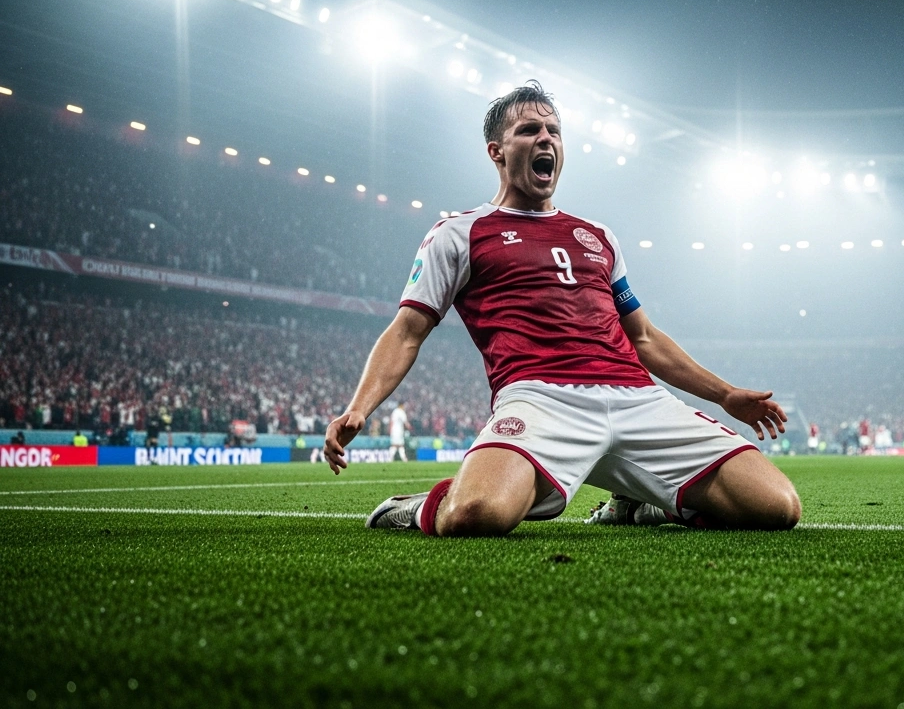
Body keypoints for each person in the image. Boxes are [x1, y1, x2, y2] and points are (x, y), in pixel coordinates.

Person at [324, 82, 800, 537]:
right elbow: (408, 332)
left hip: (638, 399)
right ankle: (416, 507)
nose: (546, 139)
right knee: (475, 514)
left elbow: (645, 339)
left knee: (778, 507)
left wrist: (725, 395)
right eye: (529, 130)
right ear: (496, 151)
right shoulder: (458, 233)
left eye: (553, 131)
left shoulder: (598, 236)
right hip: (540, 400)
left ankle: (640, 503)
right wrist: (359, 409)